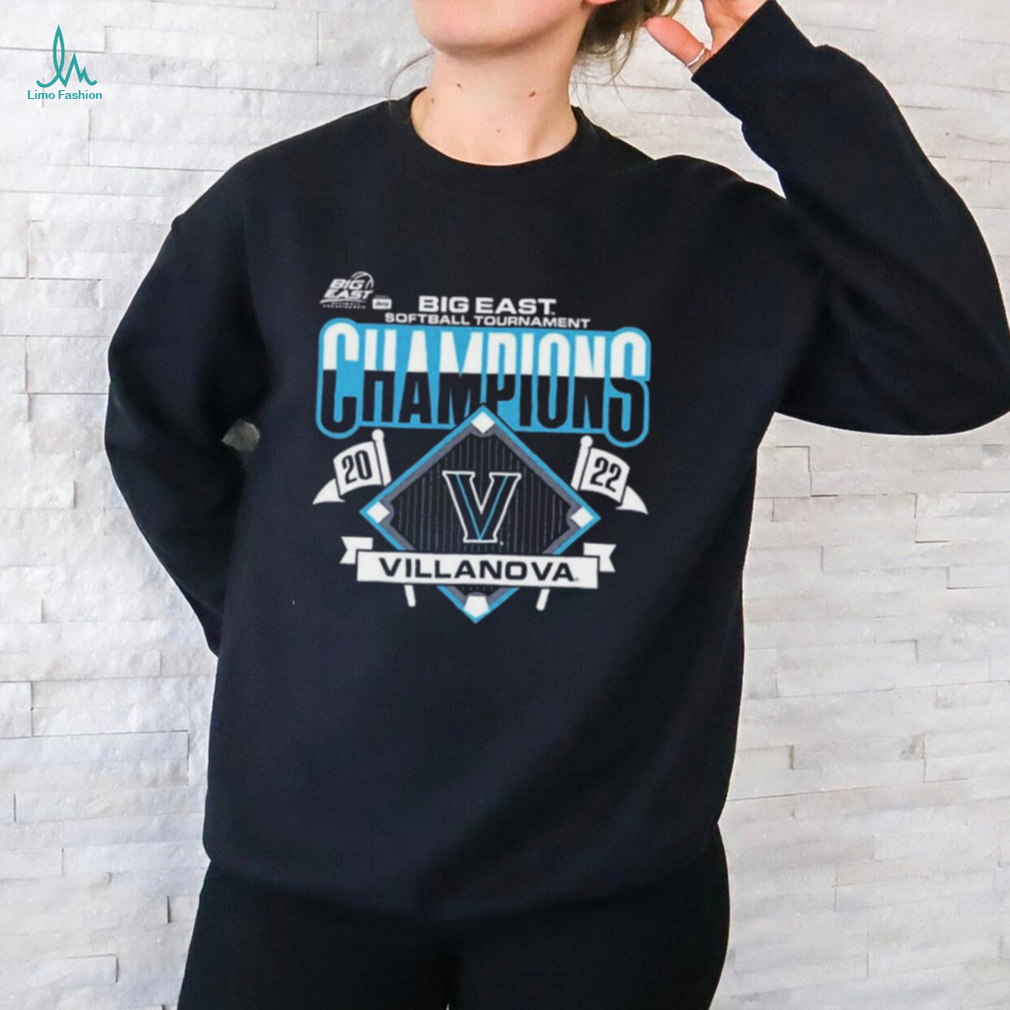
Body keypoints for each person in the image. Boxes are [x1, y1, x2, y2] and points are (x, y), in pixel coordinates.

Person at [103, 1, 1010, 1007]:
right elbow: (158, 432)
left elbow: (953, 364)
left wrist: (778, 78)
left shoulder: (706, 239)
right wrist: (273, 630)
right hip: (301, 883)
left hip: (609, 893)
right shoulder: (277, 208)